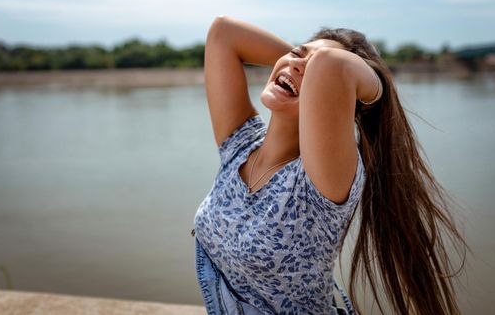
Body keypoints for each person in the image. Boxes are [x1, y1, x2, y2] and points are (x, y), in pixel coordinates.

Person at [193, 16, 467, 315]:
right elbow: (223, 33)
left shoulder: (318, 183)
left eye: (316, 74)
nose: (301, 65)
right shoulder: (241, 144)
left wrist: (371, 94)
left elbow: (332, 66)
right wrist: (296, 63)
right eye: (298, 53)